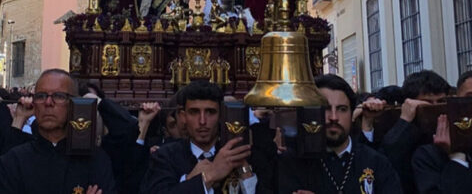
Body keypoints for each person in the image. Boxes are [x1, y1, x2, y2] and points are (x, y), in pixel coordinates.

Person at [0, 69, 116, 194]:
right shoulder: (13, 161)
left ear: (74, 103)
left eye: (59, 96)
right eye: (41, 96)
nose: (48, 102)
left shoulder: (96, 161)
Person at [272, 74, 403, 193]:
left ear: (352, 114)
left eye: (342, 109)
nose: (334, 117)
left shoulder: (376, 162)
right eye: (326, 108)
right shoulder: (291, 162)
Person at [140, 80, 257, 194]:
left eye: (210, 112)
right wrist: (207, 177)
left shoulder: (242, 154)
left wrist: (246, 174)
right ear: (183, 116)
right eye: (194, 112)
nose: (202, 121)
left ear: (221, 115)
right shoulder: (164, 157)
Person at [375, 71, 451, 193]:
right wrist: (404, 121)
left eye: (441, 101)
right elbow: (386, 160)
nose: (435, 108)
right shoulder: (401, 130)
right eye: (427, 103)